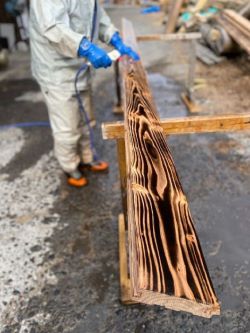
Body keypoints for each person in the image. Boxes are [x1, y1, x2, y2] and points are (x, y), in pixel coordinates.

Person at [29, 0, 139, 187]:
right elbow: (53, 27)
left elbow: (97, 16)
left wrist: (114, 38)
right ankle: (71, 166)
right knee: (67, 127)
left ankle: (88, 158)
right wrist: (87, 48)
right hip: (57, 72)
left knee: (87, 118)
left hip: (80, 67)